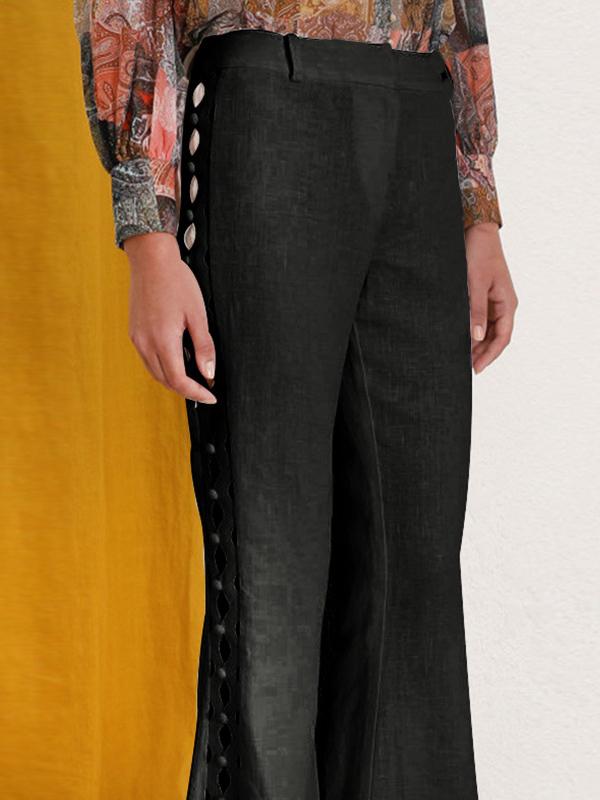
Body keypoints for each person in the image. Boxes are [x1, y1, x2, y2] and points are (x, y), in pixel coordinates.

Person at [73, 2, 518, 799]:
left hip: (420, 112)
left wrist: (476, 203)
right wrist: (148, 230)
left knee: (414, 579)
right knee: (272, 572)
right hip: (265, 101)